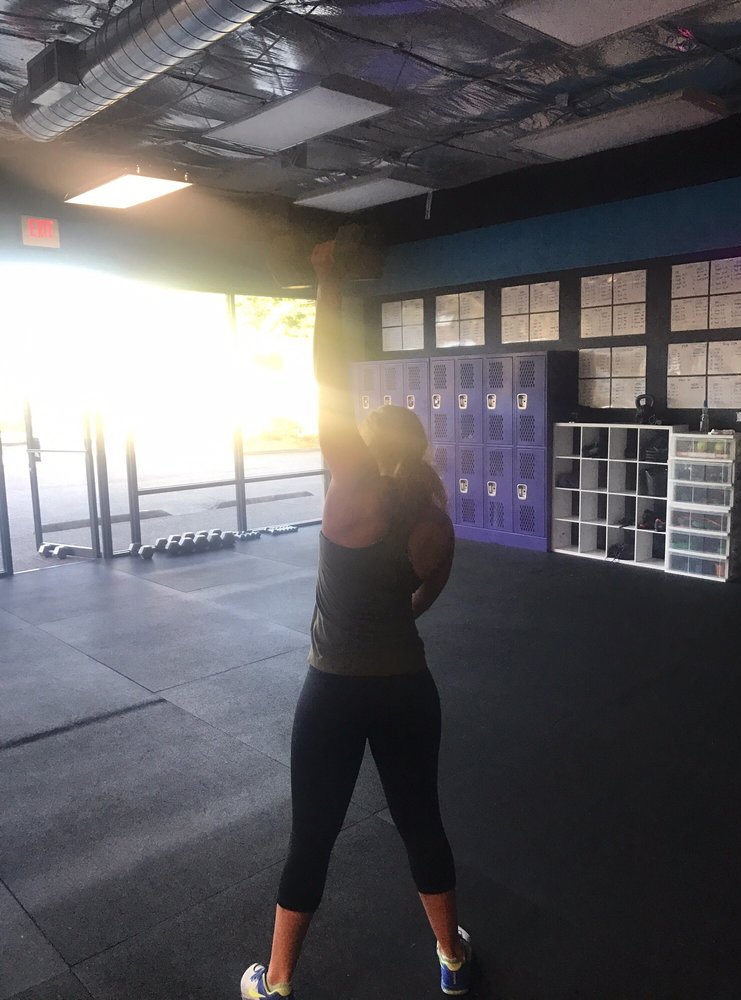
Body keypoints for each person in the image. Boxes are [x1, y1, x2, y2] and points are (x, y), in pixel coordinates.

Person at [241, 241, 471, 999]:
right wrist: (397, 612)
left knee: (312, 836)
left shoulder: (350, 487)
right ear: (422, 448)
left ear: (368, 444)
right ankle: (453, 958)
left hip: (334, 690)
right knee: (422, 824)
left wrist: (327, 281)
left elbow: (326, 379)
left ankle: (276, 982)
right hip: (408, 686)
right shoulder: (435, 519)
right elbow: (427, 591)